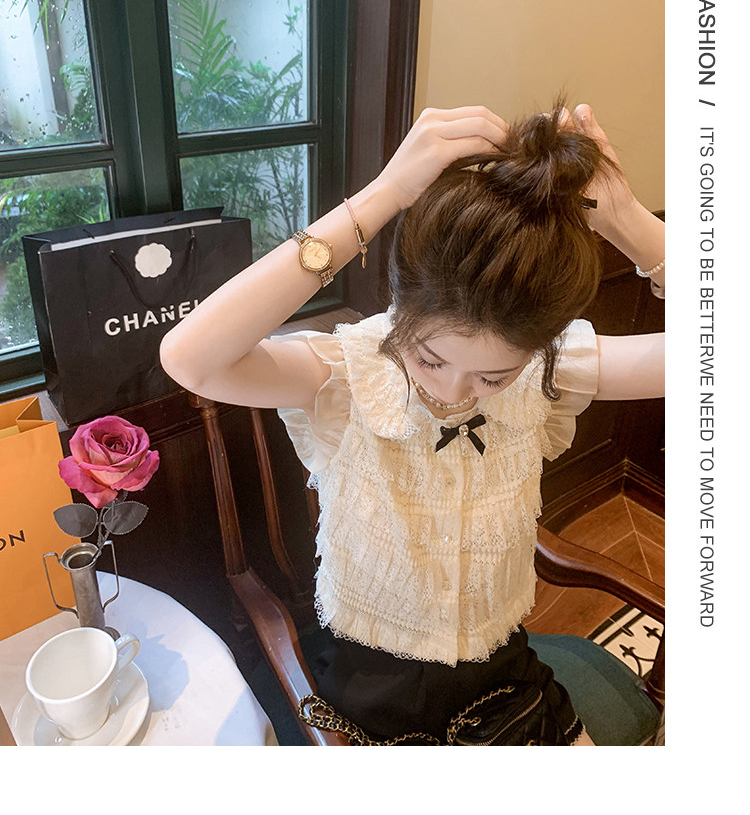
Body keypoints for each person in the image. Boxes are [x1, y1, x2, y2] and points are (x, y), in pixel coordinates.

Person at [160, 101, 665, 746]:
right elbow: (189, 359)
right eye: (429, 359)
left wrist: (626, 219)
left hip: (502, 678)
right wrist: (383, 195)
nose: (451, 392)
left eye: (493, 378)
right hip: (369, 690)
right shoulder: (345, 375)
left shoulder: (550, 369)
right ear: (401, 310)